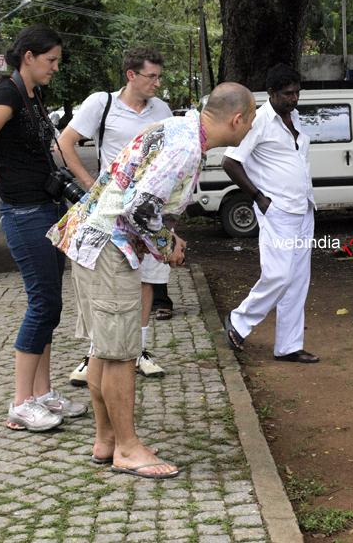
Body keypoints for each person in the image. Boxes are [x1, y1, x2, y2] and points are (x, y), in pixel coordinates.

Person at [47, 82, 256, 478]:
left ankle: (107, 440)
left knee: (104, 349)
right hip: (109, 247)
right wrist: (167, 245)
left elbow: (138, 196)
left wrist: (165, 237)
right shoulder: (186, 147)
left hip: (93, 237)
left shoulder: (177, 127)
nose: (249, 130)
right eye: (251, 122)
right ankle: (127, 448)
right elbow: (140, 209)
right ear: (237, 118)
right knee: (121, 354)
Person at [0, 24, 87, 431]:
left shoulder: (34, 94)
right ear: (28, 58)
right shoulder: (7, 94)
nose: (55, 68)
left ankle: (43, 394)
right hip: (23, 213)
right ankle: (20, 403)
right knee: (42, 304)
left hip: (46, 209)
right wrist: (0, 171)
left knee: (52, 304)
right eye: (51, 61)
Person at [57, 48, 173, 384]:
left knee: (148, 277)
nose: (157, 82)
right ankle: (95, 353)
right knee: (104, 283)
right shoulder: (101, 103)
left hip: (149, 208)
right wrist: (91, 185)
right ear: (131, 75)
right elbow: (66, 142)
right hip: (111, 213)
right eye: (151, 76)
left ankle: (138, 351)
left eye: (159, 76)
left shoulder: (161, 109)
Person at [221, 64, 319, 363]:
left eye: (297, 92)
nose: (294, 98)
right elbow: (231, 162)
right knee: (279, 274)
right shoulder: (258, 121)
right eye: (288, 93)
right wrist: (258, 197)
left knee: (298, 280)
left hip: (303, 208)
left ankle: (289, 346)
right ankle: (239, 321)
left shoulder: (296, 119)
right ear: (272, 93)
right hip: (277, 211)